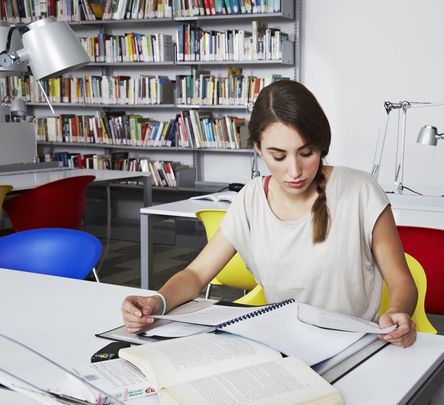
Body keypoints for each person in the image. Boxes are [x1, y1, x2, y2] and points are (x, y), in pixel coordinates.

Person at [122, 80, 418, 347]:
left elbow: (402, 282)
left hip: (352, 345)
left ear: (322, 146)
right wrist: (156, 301)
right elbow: (196, 274)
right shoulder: (251, 198)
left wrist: (398, 311)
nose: (294, 171)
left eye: (307, 153)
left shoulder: (360, 190)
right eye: (278, 156)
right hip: (283, 344)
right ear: (258, 150)